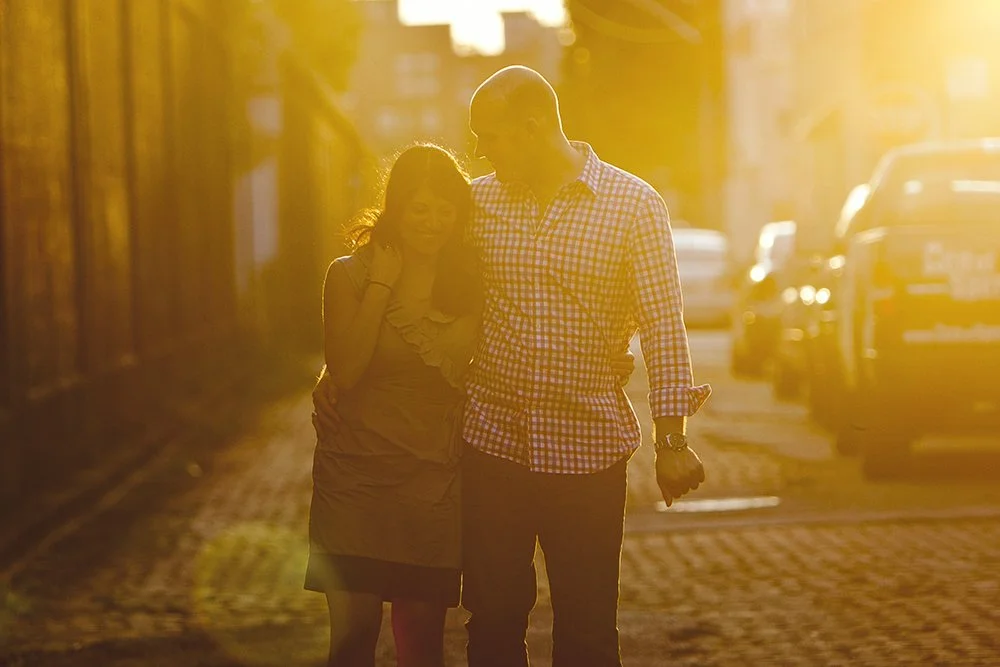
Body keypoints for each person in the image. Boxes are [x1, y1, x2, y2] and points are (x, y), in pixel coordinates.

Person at [306, 142, 637, 667]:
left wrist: (607, 358)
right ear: (394, 207)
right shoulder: (346, 273)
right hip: (356, 478)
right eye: (418, 207)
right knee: (352, 637)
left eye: (444, 209)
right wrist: (380, 285)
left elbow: (539, 320)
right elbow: (345, 368)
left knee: (420, 643)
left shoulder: (471, 280)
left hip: (434, 478)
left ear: (460, 216)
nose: (431, 222)